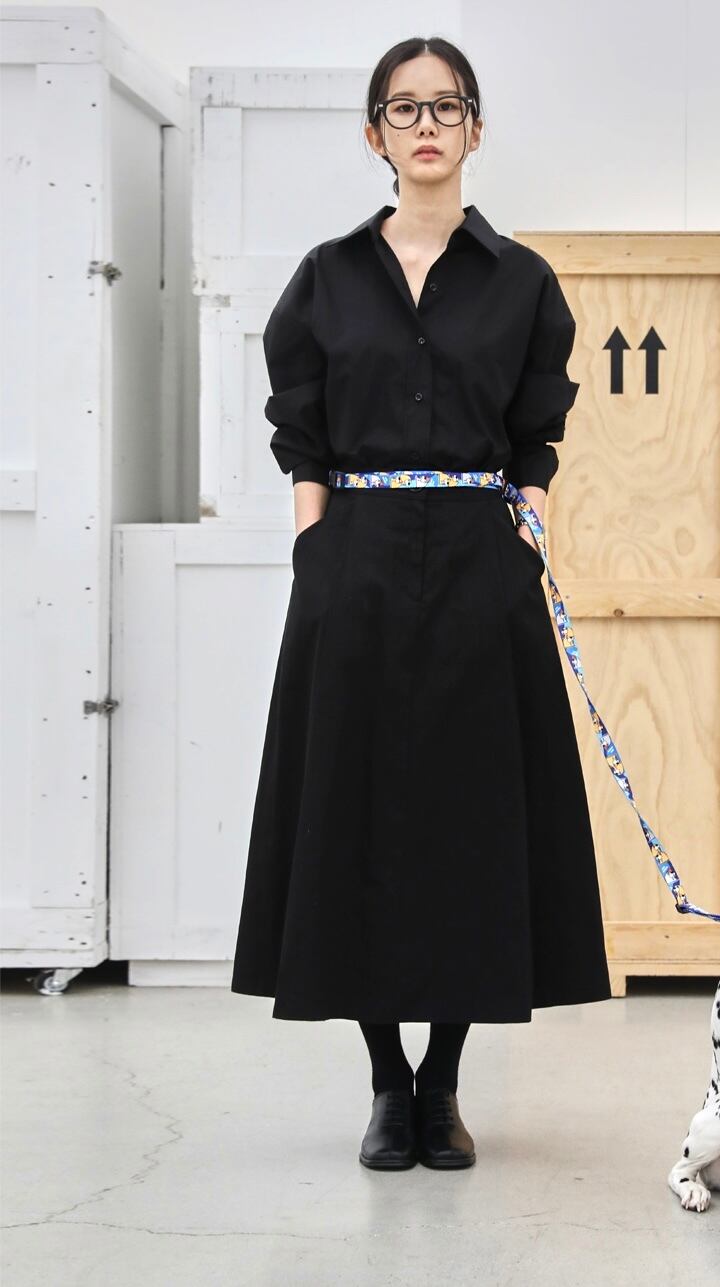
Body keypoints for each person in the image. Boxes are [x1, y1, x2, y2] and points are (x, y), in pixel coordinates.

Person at [229, 35, 612, 1171]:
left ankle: (442, 1084)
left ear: (477, 129)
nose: (427, 124)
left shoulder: (522, 281)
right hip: (354, 559)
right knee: (354, 815)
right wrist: (315, 546)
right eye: (405, 108)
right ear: (375, 134)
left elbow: (536, 433)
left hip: (480, 564)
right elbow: (300, 428)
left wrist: (527, 526)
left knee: (468, 821)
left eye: (447, 106)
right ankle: (385, 1085)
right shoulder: (326, 277)